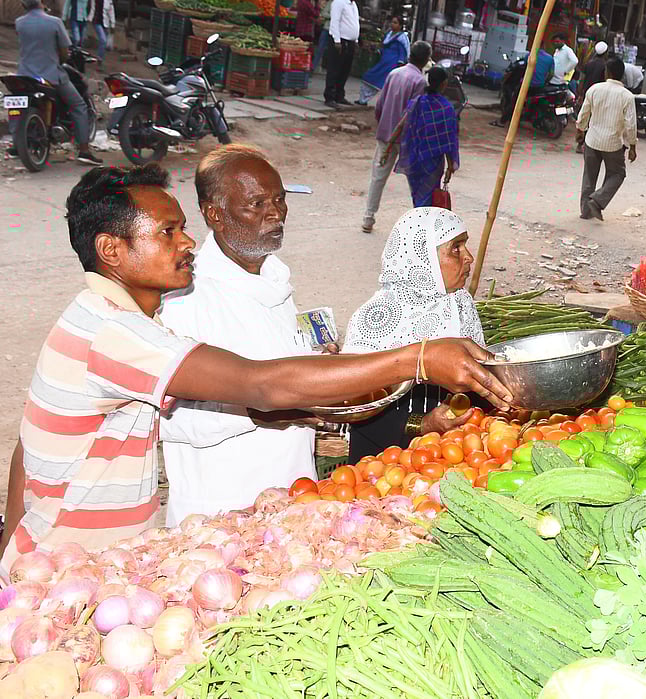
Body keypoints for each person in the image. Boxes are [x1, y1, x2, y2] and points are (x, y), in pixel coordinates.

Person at [0, 164, 511, 570]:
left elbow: (28, 445)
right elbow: (261, 382)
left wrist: (12, 543)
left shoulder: (115, 320)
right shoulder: (115, 331)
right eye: (168, 231)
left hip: (97, 561)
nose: (186, 241)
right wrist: (418, 357)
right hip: (67, 570)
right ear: (112, 249)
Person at [158, 145, 319, 526]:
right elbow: (167, 417)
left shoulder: (275, 277)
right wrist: (258, 410)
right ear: (215, 214)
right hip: (222, 512)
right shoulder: (186, 296)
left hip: (295, 497)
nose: (275, 212)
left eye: (279, 199)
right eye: (257, 203)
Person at [344, 208, 482, 462]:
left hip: (453, 456)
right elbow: (357, 409)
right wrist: (424, 424)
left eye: (466, 246)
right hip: (385, 463)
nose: (469, 257)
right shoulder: (376, 318)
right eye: (456, 248)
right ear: (423, 257)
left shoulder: (461, 304)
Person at [15, 0, 101, 165]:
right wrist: (59, 59)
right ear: (41, 3)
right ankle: (84, 150)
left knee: (18, 106)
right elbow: (64, 53)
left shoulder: (20, 23)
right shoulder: (54, 22)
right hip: (51, 75)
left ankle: (16, 144)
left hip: (25, 74)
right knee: (79, 106)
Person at [362, 39, 431, 233]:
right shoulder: (419, 81)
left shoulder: (394, 73)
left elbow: (380, 105)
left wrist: (383, 124)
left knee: (378, 177)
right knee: (415, 180)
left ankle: (368, 218)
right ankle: (420, 223)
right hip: (405, 138)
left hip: (386, 133)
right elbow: (413, 114)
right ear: (425, 60)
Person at [386, 66, 460, 208]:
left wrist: (387, 148)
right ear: (444, 84)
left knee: (417, 197)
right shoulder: (447, 109)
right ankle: (420, 226)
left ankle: (418, 223)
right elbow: (449, 141)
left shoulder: (417, 102)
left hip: (414, 159)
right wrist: (450, 167)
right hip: (432, 164)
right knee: (426, 201)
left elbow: (401, 125)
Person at [576, 57, 637, 222]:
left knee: (589, 175)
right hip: (613, 143)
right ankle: (597, 201)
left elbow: (583, 114)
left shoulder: (595, 89)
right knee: (617, 173)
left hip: (592, 140)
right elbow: (630, 125)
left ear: (606, 72)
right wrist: (632, 146)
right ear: (622, 74)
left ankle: (585, 211)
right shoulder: (627, 96)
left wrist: (580, 131)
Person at [491, 47, 554, 128]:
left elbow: (523, 68)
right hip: (539, 86)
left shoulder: (529, 55)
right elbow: (551, 74)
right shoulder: (550, 58)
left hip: (526, 85)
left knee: (514, 103)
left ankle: (502, 122)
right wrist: (543, 82)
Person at [356, 17, 410, 105]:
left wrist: (400, 64)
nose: (392, 24)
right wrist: (377, 51)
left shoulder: (402, 38)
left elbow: (402, 53)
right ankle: (363, 100)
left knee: (385, 84)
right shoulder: (389, 34)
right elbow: (384, 48)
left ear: (400, 26)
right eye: (392, 22)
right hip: (383, 62)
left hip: (391, 65)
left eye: (395, 23)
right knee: (369, 77)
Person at [323, 0, 359, 108]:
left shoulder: (353, 4)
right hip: (340, 40)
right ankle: (329, 96)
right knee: (334, 68)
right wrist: (337, 40)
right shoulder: (339, 2)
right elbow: (335, 21)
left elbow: (355, 22)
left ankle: (339, 95)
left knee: (345, 69)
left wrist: (356, 40)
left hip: (350, 41)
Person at [312, 0, 331, 73]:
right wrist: (334, 16)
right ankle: (313, 68)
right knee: (320, 49)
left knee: (332, 52)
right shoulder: (331, 3)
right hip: (327, 29)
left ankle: (329, 70)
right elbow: (323, 13)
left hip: (337, 32)